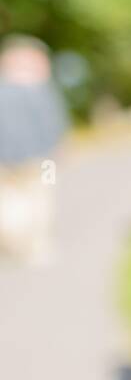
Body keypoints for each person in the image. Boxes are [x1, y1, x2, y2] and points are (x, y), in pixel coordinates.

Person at [0, 36, 68, 265]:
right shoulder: (41, 91)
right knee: (35, 199)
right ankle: (29, 245)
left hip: (37, 160)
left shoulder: (40, 91)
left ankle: (26, 244)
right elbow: (56, 124)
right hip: (35, 159)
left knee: (31, 199)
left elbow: (55, 125)